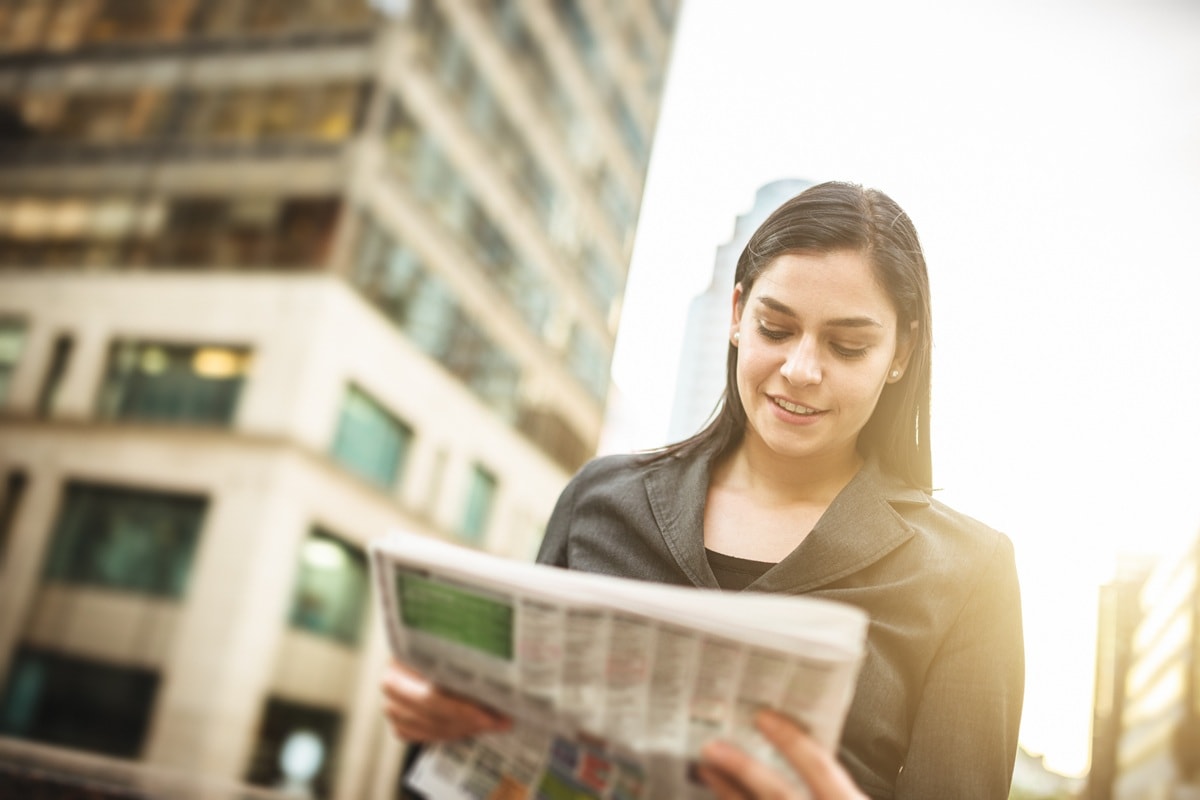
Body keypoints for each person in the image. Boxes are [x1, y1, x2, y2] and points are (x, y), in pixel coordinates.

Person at [382, 181, 1025, 799]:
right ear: (739, 314)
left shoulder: (970, 573)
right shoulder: (602, 500)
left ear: (901, 353)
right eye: (776, 329)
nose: (800, 371)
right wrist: (437, 724)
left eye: (848, 346)